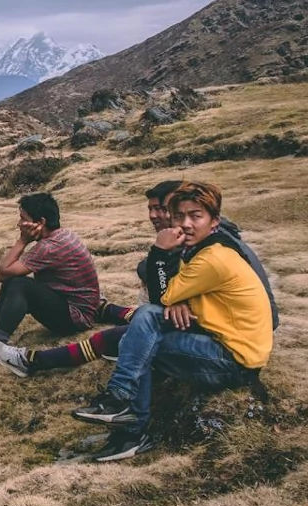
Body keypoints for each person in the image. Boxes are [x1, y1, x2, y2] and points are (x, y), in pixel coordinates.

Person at [71, 182, 274, 461]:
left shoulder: (213, 258)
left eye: (196, 216)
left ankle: (128, 420)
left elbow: (161, 294)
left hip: (234, 360)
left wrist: (159, 251)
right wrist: (174, 298)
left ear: (214, 221)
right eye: (179, 216)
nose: (186, 224)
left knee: (144, 340)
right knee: (146, 319)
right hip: (221, 339)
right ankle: (121, 405)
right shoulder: (207, 247)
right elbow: (165, 299)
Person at [0, 181, 280, 377]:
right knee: (142, 317)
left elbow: (168, 284)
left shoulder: (211, 248)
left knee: (120, 335)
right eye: (152, 209)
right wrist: (177, 295)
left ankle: (32, 361)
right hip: (227, 325)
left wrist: (175, 297)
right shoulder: (205, 239)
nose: (156, 216)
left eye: (163, 210)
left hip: (228, 337)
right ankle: (105, 317)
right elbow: (154, 271)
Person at [0, 193, 101, 372]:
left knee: (18, 285)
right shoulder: (61, 235)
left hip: (76, 318)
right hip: (74, 306)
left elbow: (3, 273)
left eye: (23, 219)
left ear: (40, 222)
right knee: (14, 284)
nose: (19, 224)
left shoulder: (49, 248)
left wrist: (22, 240)